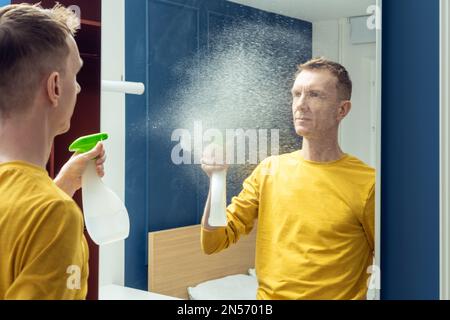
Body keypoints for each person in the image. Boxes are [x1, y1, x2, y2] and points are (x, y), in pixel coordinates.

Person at [200, 57, 375, 300]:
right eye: (296, 94)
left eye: (315, 95)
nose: (300, 105)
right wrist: (217, 178)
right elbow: (213, 242)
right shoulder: (269, 171)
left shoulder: (368, 184)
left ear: (342, 109)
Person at [0, 3, 105, 299]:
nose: (80, 88)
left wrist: (62, 185)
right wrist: (54, 202)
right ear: (55, 87)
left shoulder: (42, 207)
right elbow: (36, 217)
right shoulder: (54, 216)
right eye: (75, 75)